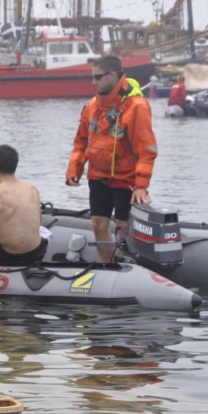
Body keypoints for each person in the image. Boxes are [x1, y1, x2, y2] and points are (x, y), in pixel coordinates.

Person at [65, 54, 157, 263]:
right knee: (98, 225)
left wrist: (141, 185)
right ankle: (107, 266)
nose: (93, 82)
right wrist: (74, 169)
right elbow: (80, 142)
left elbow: (146, 150)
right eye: (93, 77)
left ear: (112, 75)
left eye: (98, 77)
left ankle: (127, 265)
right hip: (97, 176)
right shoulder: (92, 106)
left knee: (123, 227)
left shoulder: (136, 107)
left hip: (125, 178)